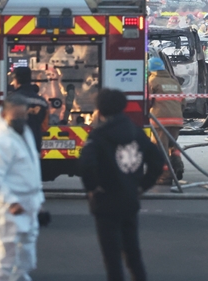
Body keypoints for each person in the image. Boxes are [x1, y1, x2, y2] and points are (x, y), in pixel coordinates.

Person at [79, 89, 163, 281]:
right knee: (133, 252)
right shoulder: (136, 132)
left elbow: (86, 164)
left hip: (106, 201)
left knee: (112, 256)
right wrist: (142, 186)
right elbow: (157, 162)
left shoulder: (98, 136)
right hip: (130, 199)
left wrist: (93, 188)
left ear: (99, 110)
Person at [0, 93, 45, 280]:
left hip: (29, 202)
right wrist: (11, 202)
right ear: (6, 114)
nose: (21, 120)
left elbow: (32, 167)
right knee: (5, 258)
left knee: (26, 257)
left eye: (24, 116)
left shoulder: (25, 132)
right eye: (17, 117)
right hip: (10, 207)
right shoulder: (1, 140)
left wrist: (39, 200)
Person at [148, 57, 185, 184]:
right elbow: (183, 101)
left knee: (160, 149)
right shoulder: (174, 82)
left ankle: (165, 176)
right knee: (172, 145)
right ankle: (177, 165)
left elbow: (148, 102)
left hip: (160, 121)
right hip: (177, 120)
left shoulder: (152, 81)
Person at [10, 67, 49, 153]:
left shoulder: (11, 100)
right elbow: (45, 126)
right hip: (34, 147)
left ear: (16, 80)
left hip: (15, 149)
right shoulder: (42, 102)